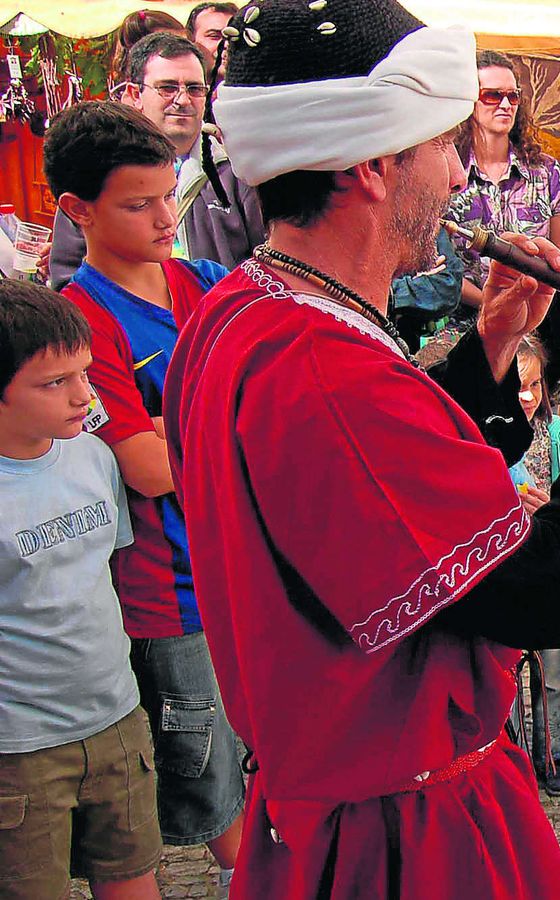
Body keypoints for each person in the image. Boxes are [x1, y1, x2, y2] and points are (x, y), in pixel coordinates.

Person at [167, 1, 560, 895]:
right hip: (403, 841)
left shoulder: (249, 310)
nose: (457, 177)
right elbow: (548, 593)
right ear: (372, 165)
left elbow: (376, 502)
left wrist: (486, 348)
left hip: (347, 808)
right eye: (442, 146)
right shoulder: (320, 366)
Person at [45, 99, 245, 894]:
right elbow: (146, 469)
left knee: (250, 745)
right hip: (167, 591)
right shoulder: (79, 321)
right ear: (76, 209)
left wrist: (177, 423)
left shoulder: (208, 282)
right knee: (203, 773)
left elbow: (264, 416)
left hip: (238, 568)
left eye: (170, 196)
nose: (166, 217)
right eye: (139, 203)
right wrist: (221, 422)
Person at [0, 282, 160, 900]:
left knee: (134, 874)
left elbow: (109, 572)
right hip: (21, 746)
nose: (84, 396)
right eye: (53, 383)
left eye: (84, 374)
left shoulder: (93, 457)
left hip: (116, 717)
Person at [48, 32, 266, 287]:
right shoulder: (98, 165)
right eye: (168, 87)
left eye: (195, 89)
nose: (183, 100)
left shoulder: (237, 169)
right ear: (135, 94)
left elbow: (265, 262)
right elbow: (67, 276)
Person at [445, 50, 560, 402]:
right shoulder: (450, 173)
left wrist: (531, 295)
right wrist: (496, 304)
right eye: (492, 95)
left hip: (539, 334)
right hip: (468, 333)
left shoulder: (546, 171)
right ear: (469, 101)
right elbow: (439, 267)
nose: (504, 104)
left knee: (540, 442)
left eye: (513, 96)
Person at [506, 336, 560, 793]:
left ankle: (559, 755)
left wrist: (553, 506)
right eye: (517, 386)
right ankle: (510, 763)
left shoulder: (554, 434)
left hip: (547, 566)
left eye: (535, 384)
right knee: (503, 673)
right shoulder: (483, 435)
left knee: (552, 670)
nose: (528, 396)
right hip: (499, 567)